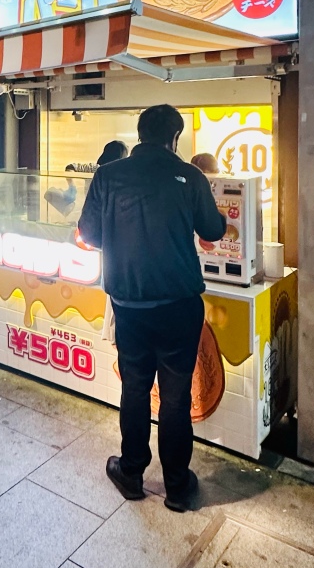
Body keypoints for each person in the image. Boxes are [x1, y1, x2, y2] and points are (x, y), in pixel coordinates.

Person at [78, 104, 226, 512]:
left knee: (136, 388)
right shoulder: (191, 177)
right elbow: (213, 229)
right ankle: (178, 488)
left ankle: (131, 473)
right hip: (179, 305)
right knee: (176, 397)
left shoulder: (108, 175)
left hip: (129, 305)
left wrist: (125, 236)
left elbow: (88, 233)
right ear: (174, 138)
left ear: (140, 134)